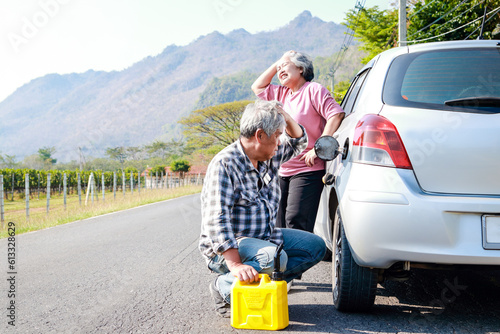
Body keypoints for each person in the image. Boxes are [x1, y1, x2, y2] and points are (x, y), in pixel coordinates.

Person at [199, 99, 326, 318]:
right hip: (230, 247)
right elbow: (216, 219)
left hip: (264, 237)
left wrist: (284, 115)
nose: (279, 142)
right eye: (277, 135)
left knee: (315, 247)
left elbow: (299, 141)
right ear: (260, 135)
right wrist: (236, 264)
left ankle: (259, 287)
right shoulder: (226, 164)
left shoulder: (268, 156)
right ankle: (225, 286)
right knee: (273, 258)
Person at [251, 50, 345, 233]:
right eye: (278, 69)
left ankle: (299, 261)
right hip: (281, 169)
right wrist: (280, 61)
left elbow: (336, 114)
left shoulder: (313, 90)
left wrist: (319, 148)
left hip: (307, 169)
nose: (280, 71)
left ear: (301, 68)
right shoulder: (282, 94)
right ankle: (282, 262)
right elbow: (258, 87)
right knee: (278, 226)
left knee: (296, 222)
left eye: (285, 66)